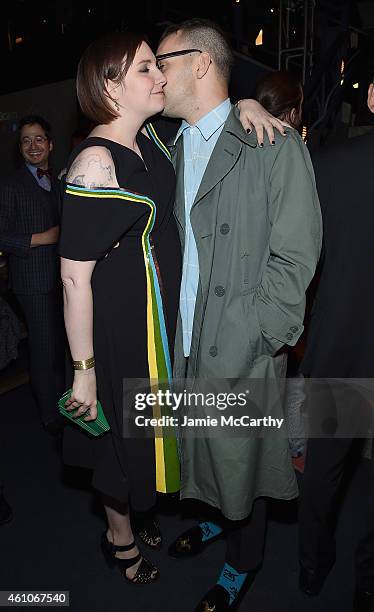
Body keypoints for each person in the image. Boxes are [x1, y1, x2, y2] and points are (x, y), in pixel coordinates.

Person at [156, 19, 322, 611]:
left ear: (200, 63)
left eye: (162, 60)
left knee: (243, 459)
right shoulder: (166, 146)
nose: (154, 71)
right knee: (199, 446)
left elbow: (297, 255)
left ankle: (243, 561)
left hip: (240, 342)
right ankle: (214, 521)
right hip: (186, 339)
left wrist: (255, 331)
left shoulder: (275, 143)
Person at [298, 82, 374, 612]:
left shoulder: (329, 166)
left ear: (371, 97)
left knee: (324, 469)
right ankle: (369, 579)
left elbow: (298, 266)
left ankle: (311, 566)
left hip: (342, 343)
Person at [0, 116, 65, 434]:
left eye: (39, 139)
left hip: (61, 279)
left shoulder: (59, 181)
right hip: (31, 281)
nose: (33, 146)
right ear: (20, 149)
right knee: (43, 349)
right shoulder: (11, 185)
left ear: (50, 145)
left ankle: (66, 404)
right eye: (26, 140)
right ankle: (51, 417)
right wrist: (42, 238)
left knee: (60, 347)